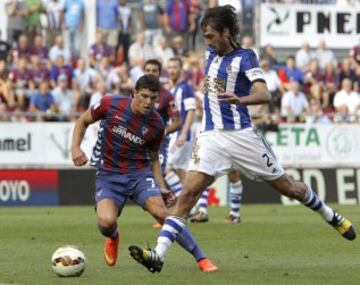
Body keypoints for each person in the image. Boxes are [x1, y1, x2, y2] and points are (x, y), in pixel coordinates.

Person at [128, 5, 356, 273]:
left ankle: (330, 215)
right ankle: (159, 255)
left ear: (226, 32)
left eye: (211, 35)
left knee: (289, 188)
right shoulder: (210, 53)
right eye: (205, 35)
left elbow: (264, 94)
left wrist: (242, 99)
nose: (207, 40)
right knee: (188, 193)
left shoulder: (246, 58)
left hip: (242, 137)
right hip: (211, 136)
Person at [71, 74, 217, 272]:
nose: (148, 102)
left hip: (139, 175)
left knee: (162, 214)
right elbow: (82, 120)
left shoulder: (156, 124)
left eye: (153, 98)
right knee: (106, 222)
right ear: (134, 93)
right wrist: (75, 148)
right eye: (144, 96)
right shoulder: (110, 103)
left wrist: (161, 186)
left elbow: (154, 157)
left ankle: (201, 258)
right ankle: (114, 236)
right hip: (109, 174)